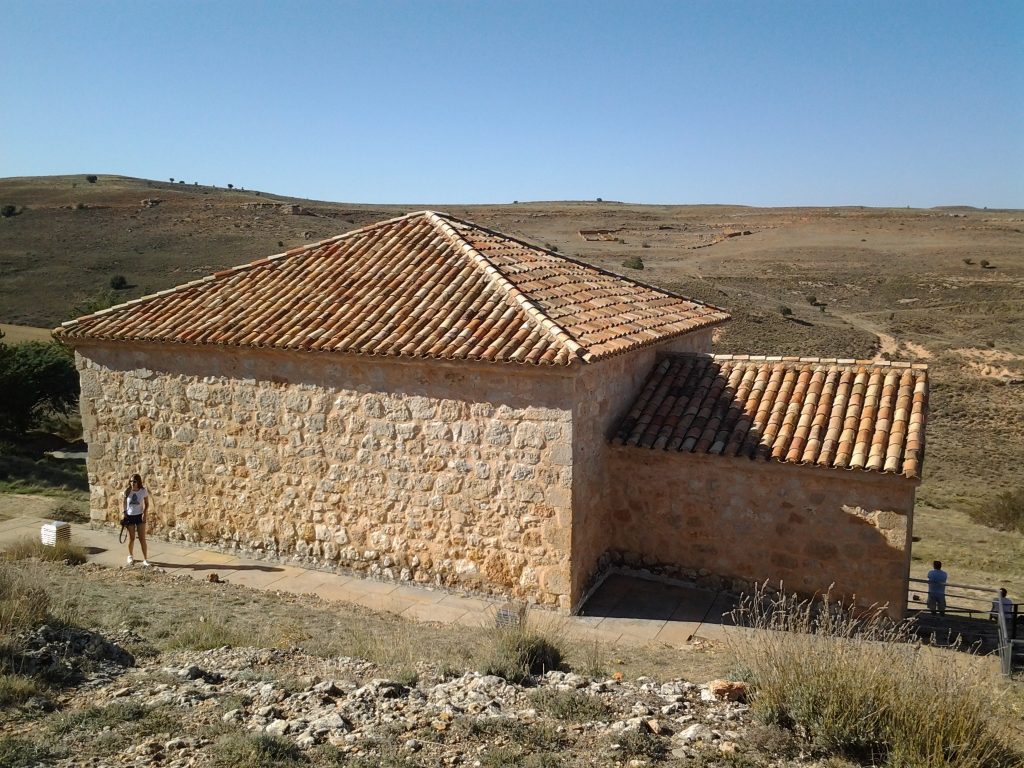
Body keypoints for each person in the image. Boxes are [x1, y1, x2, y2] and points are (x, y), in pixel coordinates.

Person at [122, 473, 151, 566]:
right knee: (131, 538)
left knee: (142, 539)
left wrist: (144, 513)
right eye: (131, 481)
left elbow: (147, 503)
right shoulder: (127, 491)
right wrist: (124, 513)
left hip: (139, 516)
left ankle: (145, 559)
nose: (132, 483)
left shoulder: (143, 491)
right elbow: (124, 503)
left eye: (134, 481)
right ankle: (130, 556)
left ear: (138, 482)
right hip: (130, 516)